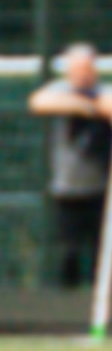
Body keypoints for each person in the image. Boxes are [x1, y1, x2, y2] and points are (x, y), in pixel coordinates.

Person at [32, 46, 109, 288]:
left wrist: (96, 106)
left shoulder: (103, 91)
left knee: (102, 252)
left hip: (100, 189)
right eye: (77, 69)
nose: (83, 74)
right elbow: (38, 102)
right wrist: (83, 106)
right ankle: (68, 298)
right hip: (68, 189)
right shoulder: (60, 91)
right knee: (69, 251)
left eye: (87, 68)